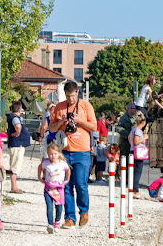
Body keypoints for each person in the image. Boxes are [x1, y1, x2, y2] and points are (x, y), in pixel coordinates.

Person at [49, 81, 97, 229]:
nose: (71, 99)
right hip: (64, 152)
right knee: (67, 186)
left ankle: (84, 212)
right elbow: (51, 128)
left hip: (82, 152)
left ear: (78, 93)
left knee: (81, 184)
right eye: (68, 96)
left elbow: (94, 127)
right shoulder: (59, 107)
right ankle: (69, 218)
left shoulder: (86, 106)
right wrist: (61, 122)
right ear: (65, 94)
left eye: (73, 96)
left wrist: (80, 121)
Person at [37, 143, 71, 234]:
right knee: (49, 206)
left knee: (59, 207)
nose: (53, 156)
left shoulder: (62, 164)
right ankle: (50, 224)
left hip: (59, 189)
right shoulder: (46, 163)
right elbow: (40, 167)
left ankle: (57, 222)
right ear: (48, 154)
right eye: (51, 154)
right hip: (48, 189)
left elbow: (68, 170)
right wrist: (39, 177)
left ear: (59, 153)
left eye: (55, 154)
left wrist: (67, 180)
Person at [7, 101, 30, 194]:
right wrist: (18, 132)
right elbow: (17, 125)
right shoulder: (15, 117)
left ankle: (14, 186)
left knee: (14, 165)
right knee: (15, 166)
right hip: (17, 145)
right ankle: (14, 187)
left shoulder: (13, 117)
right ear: (20, 109)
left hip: (16, 145)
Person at [129, 111, 148, 199]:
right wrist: (144, 138)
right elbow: (136, 142)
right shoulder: (138, 131)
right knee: (137, 173)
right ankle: (135, 191)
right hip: (138, 153)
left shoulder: (133, 129)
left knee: (134, 172)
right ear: (143, 122)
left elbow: (129, 138)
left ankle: (133, 190)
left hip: (133, 151)